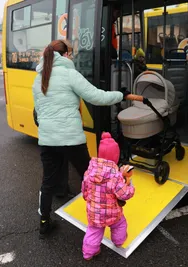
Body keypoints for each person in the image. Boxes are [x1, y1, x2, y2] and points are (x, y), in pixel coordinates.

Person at [33, 40, 129, 239]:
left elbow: (39, 111)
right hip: (71, 140)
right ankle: (102, 217)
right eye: (70, 53)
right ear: (65, 55)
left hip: (47, 140)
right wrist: (121, 95)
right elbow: (97, 97)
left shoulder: (39, 78)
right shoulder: (69, 74)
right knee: (93, 177)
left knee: (47, 182)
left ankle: (44, 222)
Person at [81, 132, 135, 260]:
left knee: (93, 231)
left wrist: (89, 199)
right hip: (112, 213)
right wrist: (130, 184)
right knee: (120, 224)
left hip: (94, 212)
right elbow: (125, 194)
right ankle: (118, 242)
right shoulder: (116, 176)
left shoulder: (89, 171)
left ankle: (88, 253)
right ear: (115, 157)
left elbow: (84, 190)